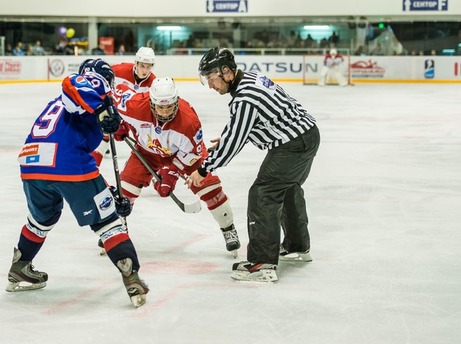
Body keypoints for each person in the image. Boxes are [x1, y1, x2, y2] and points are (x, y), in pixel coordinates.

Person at [5, 58, 149, 307]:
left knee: (42, 219)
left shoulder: (64, 105)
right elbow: (73, 82)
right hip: (67, 164)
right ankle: (131, 275)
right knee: (108, 222)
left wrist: (111, 193)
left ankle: (19, 266)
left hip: (32, 164)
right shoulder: (95, 86)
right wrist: (104, 110)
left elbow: (87, 165)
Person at [189, 47, 320, 283]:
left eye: (211, 78)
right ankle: (296, 246)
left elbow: (235, 141)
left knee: (263, 193)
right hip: (306, 135)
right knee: (287, 188)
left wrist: (203, 169)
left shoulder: (245, 97)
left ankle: (262, 263)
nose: (210, 85)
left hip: (292, 144)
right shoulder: (250, 79)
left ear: (226, 72)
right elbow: (251, 122)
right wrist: (229, 138)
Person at [109, 78, 241, 256]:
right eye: (160, 107)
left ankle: (228, 229)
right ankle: (116, 232)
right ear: (151, 102)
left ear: (176, 101)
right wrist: (119, 121)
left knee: (210, 188)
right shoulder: (134, 105)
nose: (164, 112)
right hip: (147, 152)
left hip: (184, 155)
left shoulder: (189, 122)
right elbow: (113, 94)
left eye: (169, 106)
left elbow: (192, 153)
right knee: (125, 189)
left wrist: (170, 172)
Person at [91, 47, 157, 166]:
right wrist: (116, 115)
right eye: (142, 66)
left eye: (149, 66)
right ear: (136, 63)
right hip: (112, 106)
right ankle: (92, 163)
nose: (145, 70)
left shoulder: (153, 83)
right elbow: (102, 86)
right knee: (106, 128)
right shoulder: (119, 71)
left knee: (146, 139)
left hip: (134, 114)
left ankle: (144, 164)